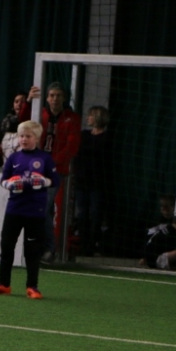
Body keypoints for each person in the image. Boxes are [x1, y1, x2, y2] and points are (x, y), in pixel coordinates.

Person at [0, 121, 61, 299]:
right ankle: (3, 284)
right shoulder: (13, 158)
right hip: (14, 209)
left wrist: (44, 181)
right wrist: (9, 184)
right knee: (6, 247)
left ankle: (32, 287)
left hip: (35, 211)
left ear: (37, 138)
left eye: (28, 136)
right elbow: (3, 179)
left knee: (32, 250)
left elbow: (55, 180)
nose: (24, 139)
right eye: (21, 136)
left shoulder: (45, 158)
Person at [39, 82, 81, 262]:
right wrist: (28, 102)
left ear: (64, 98)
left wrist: (51, 162)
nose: (55, 99)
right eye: (52, 95)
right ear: (47, 98)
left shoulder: (72, 118)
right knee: (46, 210)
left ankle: (50, 248)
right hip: (37, 169)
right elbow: (24, 125)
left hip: (55, 170)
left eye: (58, 95)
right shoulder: (40, 114)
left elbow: (72, 147)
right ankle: (45, 249)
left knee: (43, 206)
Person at [73, 106, 112, 256]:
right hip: (82, 180)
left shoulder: (107, 137)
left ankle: (92, 244)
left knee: (95, 213)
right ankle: (82, 243)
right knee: (82, 213)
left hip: (98, 181)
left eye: (90, 115)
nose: (88, 118)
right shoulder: (84, 135)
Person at [0, 87, 39, 159]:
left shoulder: (31, 119)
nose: (19, 104)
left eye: (22, 102)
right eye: (16, 101)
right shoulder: (6, 120)